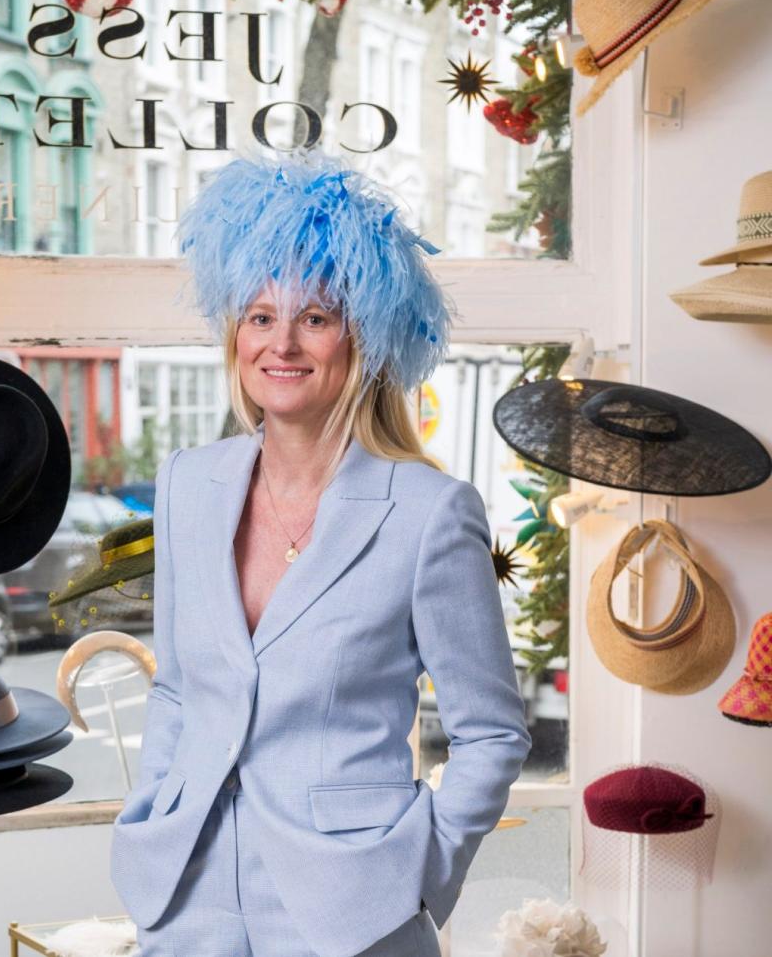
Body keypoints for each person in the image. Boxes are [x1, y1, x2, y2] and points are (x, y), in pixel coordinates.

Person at [111, 149, 532, 957]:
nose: (283, 344)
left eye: (316, 316)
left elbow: (492, 733)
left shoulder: (430, 513)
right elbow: (177, 688)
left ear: (362, 336)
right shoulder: (189, 485)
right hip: (185, 897)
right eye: (261, 316)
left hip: (353, 909)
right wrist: (153, 813)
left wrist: (418, 872)